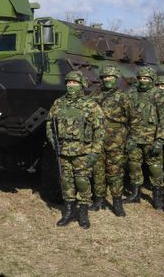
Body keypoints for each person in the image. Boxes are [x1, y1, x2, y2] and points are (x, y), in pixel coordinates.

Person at [46, 70, 104, 229]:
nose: (71, 85)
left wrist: (95, 152)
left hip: (82, 151)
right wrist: (52, 140)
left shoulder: (91, 105)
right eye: (69, 83)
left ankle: (83, 213)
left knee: (82, 181)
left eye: (75, 83)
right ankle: (69, 211)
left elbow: (99, 130)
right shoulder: (58, 103)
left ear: (82, 85)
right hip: (63, 150)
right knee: (66, 181)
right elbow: (50, 124)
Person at [89, 65, 136, 217]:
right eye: (105, 77)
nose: (107, 80)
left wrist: (131, 139)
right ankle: (99, 200)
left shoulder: (123, 96)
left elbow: (134, 120)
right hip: (97, 138)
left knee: (115, 171)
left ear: (116, 78)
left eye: (110, 77)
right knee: (98, 171)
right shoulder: (94, 95)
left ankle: (117, 202)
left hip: (117, 139)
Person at [124, 67, 164, 210]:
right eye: (141, 78)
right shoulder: (132, 93)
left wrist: (159, 140)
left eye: (146, 79)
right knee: (133, 164)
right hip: (134, 137)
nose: (143, 81)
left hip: (151, 138)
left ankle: (157, 196)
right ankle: (135, 194)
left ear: (152, 80)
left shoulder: (158, 95)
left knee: (155, 167)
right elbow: (125, 115)